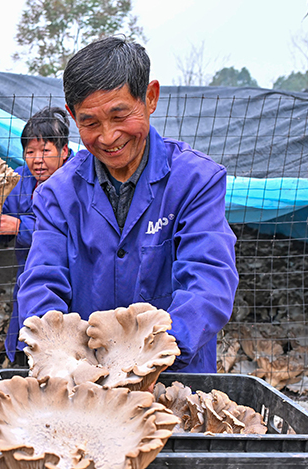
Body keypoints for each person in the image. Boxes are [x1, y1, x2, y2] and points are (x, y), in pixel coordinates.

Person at [16, 37, 238, 372]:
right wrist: (61, 355)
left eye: (120, 115)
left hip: (174, 375)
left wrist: (152, 355)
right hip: (85, 381)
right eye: (90, 123)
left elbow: (208, 283)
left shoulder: (196, 180)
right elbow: (41, 280)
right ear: (72, 116)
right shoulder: (57, 194)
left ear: (150, 97)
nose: (107, 137)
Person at [0, 107, 72, 363]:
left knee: (64, 336)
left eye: (45, 151)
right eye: (30, 152)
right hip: (28, 270)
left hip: (70, 273)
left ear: (64, 151)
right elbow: (4, 215)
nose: (37, 160)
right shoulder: (20, 178)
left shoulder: (78, 178)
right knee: (25, 328)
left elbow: (68, 229)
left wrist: (21, 227)